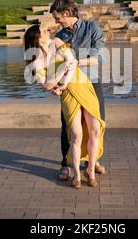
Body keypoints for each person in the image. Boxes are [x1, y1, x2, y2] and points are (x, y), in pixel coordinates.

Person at [23, 25, 105, 188]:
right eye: (44, 30)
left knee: (94, 129)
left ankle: (90, 170)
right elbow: (46, 86)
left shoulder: (57, 42)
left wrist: (61, 83)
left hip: (83, 86)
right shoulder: (36, 60)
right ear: (39, 38)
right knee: (76, 134)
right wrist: (61, 74)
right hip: (67, 94)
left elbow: (72, 63)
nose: (48, 30)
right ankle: (76, 174)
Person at [49, 0, 107, 182]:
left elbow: (100, 56)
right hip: (69, 85)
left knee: (97, 124)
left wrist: (75, 62)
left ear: (66, 13)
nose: (56, 21)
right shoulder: (60, 36)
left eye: (58, 18)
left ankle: (93, 161)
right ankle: (64, 164)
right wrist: (55, 83)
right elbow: (53, 64)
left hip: (91, 82)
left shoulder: (92, 28)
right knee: (68, 126)